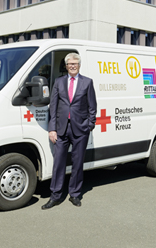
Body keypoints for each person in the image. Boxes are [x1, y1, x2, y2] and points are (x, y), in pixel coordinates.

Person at [42, 53, 97, 209]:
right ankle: (55, 196)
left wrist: (89, 125)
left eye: (75, 63)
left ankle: (74, 194)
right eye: (70, 64)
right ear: (66, 66)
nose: (73, 66)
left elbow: (92, 107)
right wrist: (52, 129)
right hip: (61, 129)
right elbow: (53, 107)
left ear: (79, 65)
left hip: (80, 129)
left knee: (77, 163)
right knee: (58, 162)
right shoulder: (59, 82)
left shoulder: (87, 82)